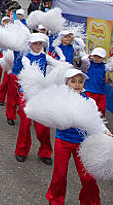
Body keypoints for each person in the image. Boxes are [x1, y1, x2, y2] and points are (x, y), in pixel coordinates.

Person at [45, 68, 111, 204]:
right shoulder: (60, 100)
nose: (77, 84)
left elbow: (96, 120)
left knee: (89, 178)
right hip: (63, 142)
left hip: (84, 144)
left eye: (80, 82)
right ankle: (55, 200)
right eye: (73, 81)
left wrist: (105, 131)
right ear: (66, 83)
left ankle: (91, 202)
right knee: (60, 174)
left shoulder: (89, 101)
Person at [15, 33, 60, 164]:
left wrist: (65, 66)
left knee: (43, 125)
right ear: (30, 44)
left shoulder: (46, 57)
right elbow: (29, 70)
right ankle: (21, 151)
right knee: (25, 124)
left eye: (40, 44)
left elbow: (57, 64)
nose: (38, 46)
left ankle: (45, 152)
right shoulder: (26, 58)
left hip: (41, 94)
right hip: (27, 94)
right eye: (35, 43)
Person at [80, 47, 112, 116]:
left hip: (101, 91)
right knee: (89, 107)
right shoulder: (89, 64)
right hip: (89, 90)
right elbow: (83, 59)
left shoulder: (105, 66)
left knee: (101, 108)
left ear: (103, 58)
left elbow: (111, 68)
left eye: (99, 57)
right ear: (92, 56)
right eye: (95, 56)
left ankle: (100, 121)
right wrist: (89, 56)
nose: (97, 58)